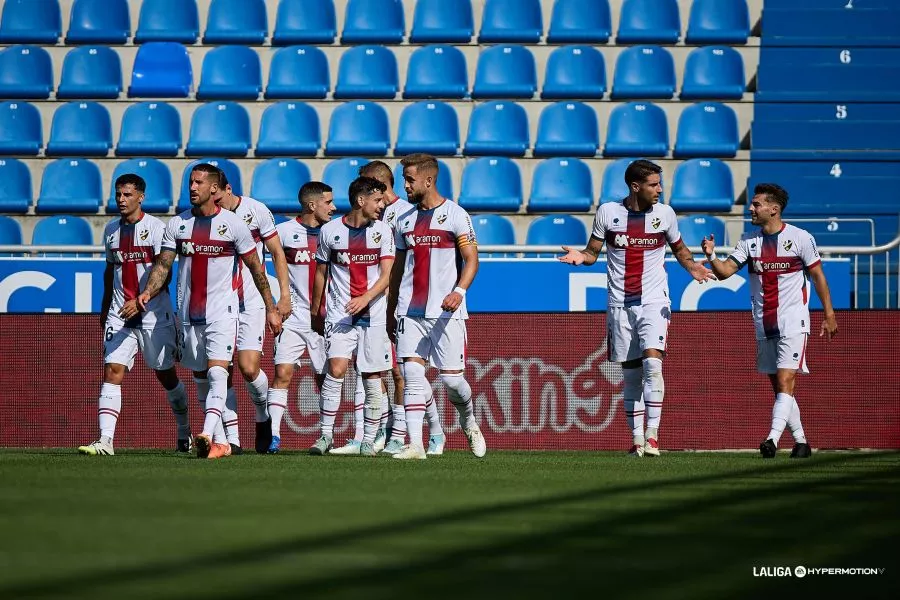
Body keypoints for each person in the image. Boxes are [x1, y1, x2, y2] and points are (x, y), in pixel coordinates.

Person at [559, 159, 713, 457]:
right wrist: (581, 257)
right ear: (635, 186)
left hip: (655, 301)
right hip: (619, 304)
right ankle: (637, 441)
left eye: (659, 184)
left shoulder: (665, 215)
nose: (659, 190)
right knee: (630, 376)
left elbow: (680, 249)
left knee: (653, 364)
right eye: (653, 185)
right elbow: (593, 253)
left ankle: (653, 435)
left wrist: (693, 267)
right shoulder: (608, 212)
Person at [137, 164, 282, 459]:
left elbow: (257, 269)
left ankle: (208, 433)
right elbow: (163, 265)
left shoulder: (235, 225)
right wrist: (149, 290)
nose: (192, 187)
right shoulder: (177, 225)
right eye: (190, 181)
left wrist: (272, 308)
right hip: (189, 314)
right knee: (203, 378)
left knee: (222, 372)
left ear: (214, 189)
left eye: (198, 182)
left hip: (225, 312)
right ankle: (222, 441)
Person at [702, 183, 838, 459]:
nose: (751, 209)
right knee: (779, 387)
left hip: (794, 321)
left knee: (787, 379)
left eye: (756, 204)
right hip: (764, 322)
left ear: (774, 209)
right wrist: (711, 256)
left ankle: (771, 440)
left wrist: (829, 314)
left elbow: (818, 276)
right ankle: (801, 442)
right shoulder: (749, 242)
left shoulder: (801, 238)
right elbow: (726, 272)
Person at [78, 174, 192, 456]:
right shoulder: (111, 231)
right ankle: (105, 441)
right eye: (118, 194)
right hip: (120, 315)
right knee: (112, 371)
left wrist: (141, 301)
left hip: (154, 314)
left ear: (141, 197)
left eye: (127, 194)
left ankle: (184, 432)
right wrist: (105, 311)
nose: (121, 200)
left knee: (166, 376)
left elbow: (163, 275)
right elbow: (109, 273)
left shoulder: (156, 228)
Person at [389, 153, 484, 460]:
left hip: (446, 312)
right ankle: (416, 445)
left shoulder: (456, 215)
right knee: (413, 376)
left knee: (452, 381)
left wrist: (459, 291)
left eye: (409, 179)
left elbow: (472, 260)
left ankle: (468, 420)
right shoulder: (403, 221)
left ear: (428, 180)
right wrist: (393, 308)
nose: (405, 185)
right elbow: (397, 268)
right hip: (410, 311)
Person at [354, 160, 445, 456]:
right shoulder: (374, 216)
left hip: (403, 303)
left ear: (379, 182)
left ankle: (399, 434)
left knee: (402, 372)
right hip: (380, 303)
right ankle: (424, 431)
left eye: (364, 182)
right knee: (387, 370)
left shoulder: (406, 213)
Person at [309, 176, 395, 457]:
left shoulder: (383, 232)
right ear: (361, 201)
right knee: (336, 369)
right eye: (377, 200)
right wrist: (315, 309)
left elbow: (386, 277)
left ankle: (369, 440)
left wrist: (365, 298)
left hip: (373, 314)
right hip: (339, 314)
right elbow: (321, 273)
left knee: (372, 376)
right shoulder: (330, 232)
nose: (381, 205)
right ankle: (325, 436)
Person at [213, 174, 292, 454]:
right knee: (222, 370)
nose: (215, 204)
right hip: (218, 304)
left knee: (248, 368)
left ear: (228, 189)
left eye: (218, 198)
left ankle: (262, 415)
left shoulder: (256, 211)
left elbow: (277, 252)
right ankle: (232, 439)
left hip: (252, 300)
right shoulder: (207, 218)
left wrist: (283, 295)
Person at [265, 182, 335, 454]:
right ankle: (274, 436)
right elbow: (257, 264)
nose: (333, 207)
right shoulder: (282, 233)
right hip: (292, 317)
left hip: (324, 318)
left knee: (325, 377)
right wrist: (274, 303)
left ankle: (325, 436)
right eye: (328, 202)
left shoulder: (335, 233)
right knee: (282, 372)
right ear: (311, 205)